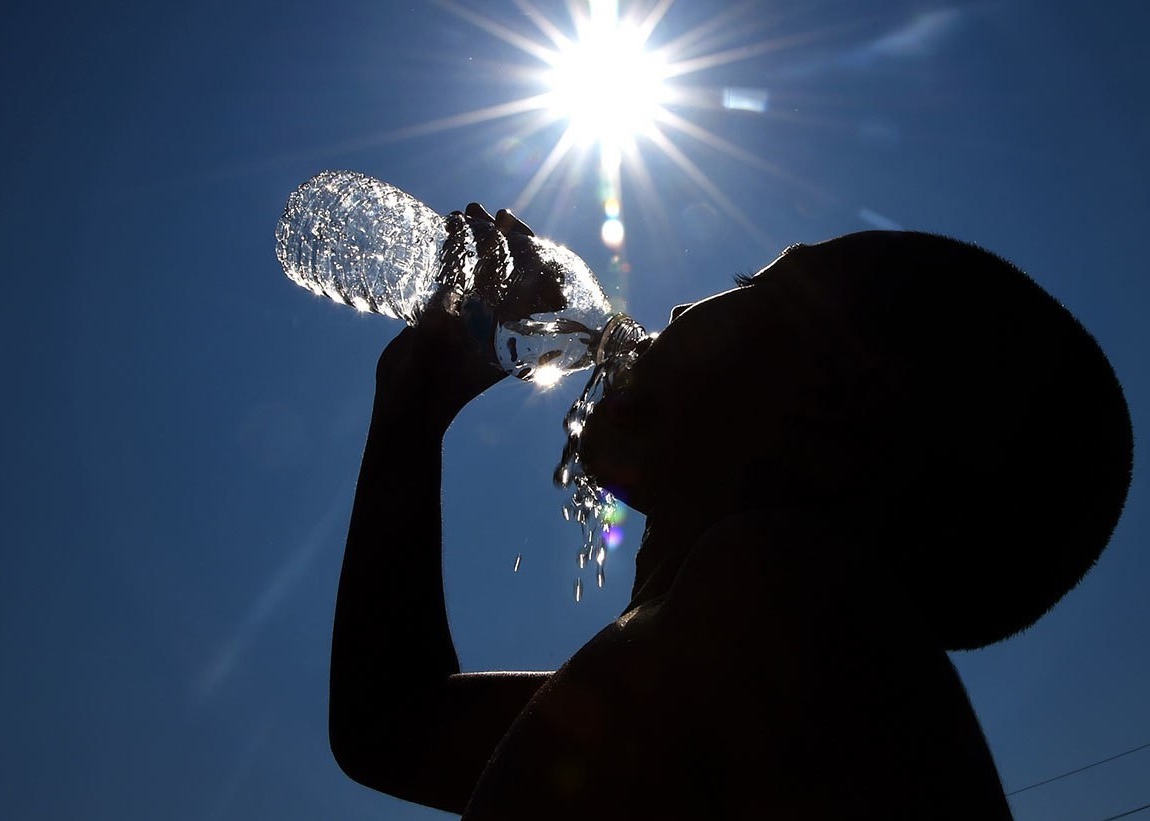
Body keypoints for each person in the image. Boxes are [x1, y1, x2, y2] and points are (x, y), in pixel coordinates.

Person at [327, 222, 1133, 819]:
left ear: (832, 407)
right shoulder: (724, 694)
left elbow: (394, 728)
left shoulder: (784, 594)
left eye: (756, 284)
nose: (681, 303)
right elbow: (391, 723)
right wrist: (410, 408)